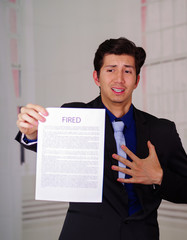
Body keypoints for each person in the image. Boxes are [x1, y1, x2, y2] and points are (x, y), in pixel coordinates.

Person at [15, 37, 187, 240]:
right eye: (111, 69)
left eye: (128, 71)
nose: (119, 79)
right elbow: (44, 143)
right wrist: (32, 132)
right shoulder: (75, 115)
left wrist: (159, 177)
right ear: (97, 77)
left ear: (137, 80)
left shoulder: (161, 130)